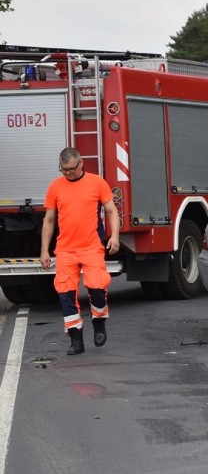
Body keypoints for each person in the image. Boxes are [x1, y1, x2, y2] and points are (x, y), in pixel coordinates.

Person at [40, 148, 120, 355]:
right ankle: (76, 339)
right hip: (65, 250)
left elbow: (111, 210)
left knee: (97, 287)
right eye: (63, 169)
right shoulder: (55, 187)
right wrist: (44, 251)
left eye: (71, 169)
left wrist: (115, 236)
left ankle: (99, 321)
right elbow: (49, 220)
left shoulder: (97, 182)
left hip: (92, 246)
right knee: (65, 295)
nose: (67, 173)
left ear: (81, 163)